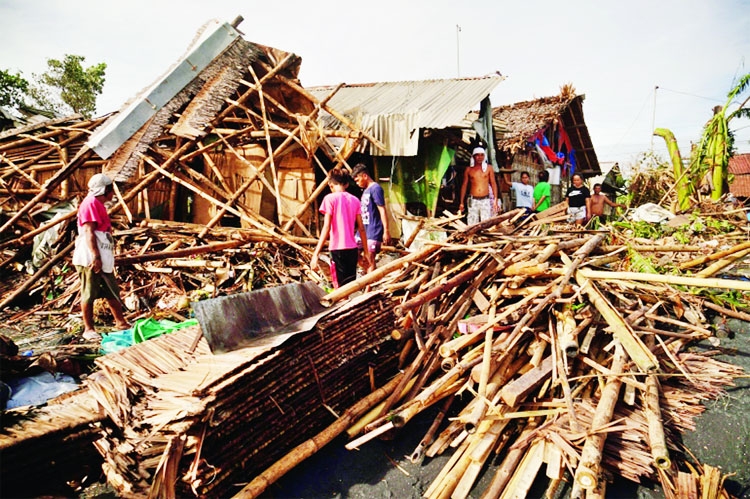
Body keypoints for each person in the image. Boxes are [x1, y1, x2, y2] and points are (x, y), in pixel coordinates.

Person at [72, 173, 130, 341]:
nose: (112, 194)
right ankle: (88, 329)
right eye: (111, 190)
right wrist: (95, 256)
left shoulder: (98, 204)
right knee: (89, 292)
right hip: (89, 257)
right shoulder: (90, 204)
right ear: (105, 190)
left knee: (111, 290)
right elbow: (89, 231)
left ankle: (120, 322)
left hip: (101, 257)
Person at [310, 167, 369, 288]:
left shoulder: (329, 199)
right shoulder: (355, 200)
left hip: (337, 249)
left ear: (330, 184)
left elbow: (326, 227)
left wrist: (316, 253)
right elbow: (361, 228)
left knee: (340, 288)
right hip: (352, 249)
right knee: (350, 286)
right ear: (346, 184)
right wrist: (366, 252)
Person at [351, 163, 390, 272]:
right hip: (363, 230)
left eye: (358, 180)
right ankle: (368, 276)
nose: (357, 183)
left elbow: (382, 210)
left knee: (370, 258)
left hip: (373, 230)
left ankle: (369, 287)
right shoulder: (366, 190)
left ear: (364, 176)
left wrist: (386, 230)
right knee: (354, 252)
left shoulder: (375, 188)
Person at [458, 147, 501, 225]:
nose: (480, 157)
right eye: (477, 155)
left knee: (486, 222)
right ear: (473, 156)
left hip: (485, 199)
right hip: (473, 200)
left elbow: (493, 184)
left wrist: (495, 200)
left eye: (482, 155)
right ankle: (472, 237)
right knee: (472, 222)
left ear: (484, 156)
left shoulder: (488, 168)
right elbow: (464, 185)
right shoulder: (469, 169)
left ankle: (484, 237)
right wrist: (461, 202)